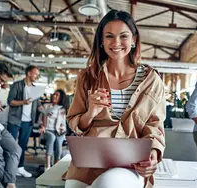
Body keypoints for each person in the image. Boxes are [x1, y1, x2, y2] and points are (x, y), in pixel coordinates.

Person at [63, 10, 166, 188]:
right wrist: (90, 113)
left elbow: (155, 126)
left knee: (108, 184)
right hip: (89, 164)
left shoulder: (151, 80)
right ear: (101, 42)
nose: (116, 43)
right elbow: (74, 122)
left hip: (131, 164)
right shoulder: (87, 77)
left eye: (123, 36)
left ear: (134, 40)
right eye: (109, 36)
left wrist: (154, 155)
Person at [7, 65, 43, 178]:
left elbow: (38, 105)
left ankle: (20, 167)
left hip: (28, 122)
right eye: (35, 73)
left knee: (22, 145)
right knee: (10, 144)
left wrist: (45, 110)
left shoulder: (35, 89)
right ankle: (8, 167)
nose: (37, 76)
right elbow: (10, 101)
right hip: (15, 120)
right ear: (29, 73)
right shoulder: (17, 85)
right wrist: (23, 102)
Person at [38, 89, 68, 170]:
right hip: (47, 130)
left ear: (61, 98)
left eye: (57, 95)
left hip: (59, 131)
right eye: (54, 94)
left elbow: (63, 123)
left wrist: (62, 130)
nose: (54, 96)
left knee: (58, 141)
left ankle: (56, 167)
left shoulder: (62, 109)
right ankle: (47, 166)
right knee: (52, 137)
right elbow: (40, 120)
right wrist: (42, 125)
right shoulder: (46, 106)